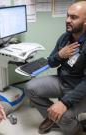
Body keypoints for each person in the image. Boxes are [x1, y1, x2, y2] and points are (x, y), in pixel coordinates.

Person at [25, 1, 86, 135]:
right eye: (67, 16)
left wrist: (64, 103)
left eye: (74, 17)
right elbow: (51, 62)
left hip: (81, 89)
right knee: (30, 88)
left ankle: (77, 130)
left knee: (64, 116)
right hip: (62, 81)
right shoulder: (65, 38)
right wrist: (59, 55)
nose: (67, 20)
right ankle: (52, 117)